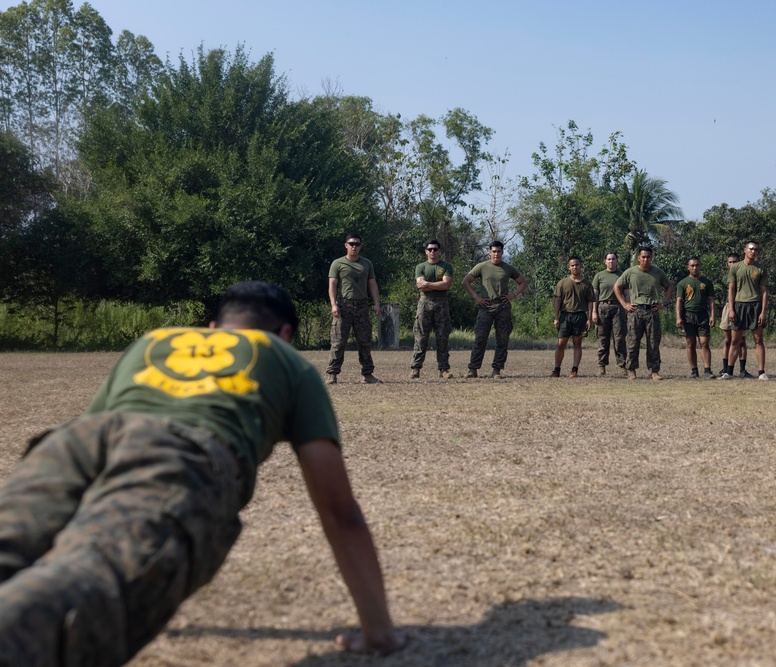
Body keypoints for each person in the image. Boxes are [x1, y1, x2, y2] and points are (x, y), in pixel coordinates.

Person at [0, 282, 405, 665]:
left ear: (213, 328)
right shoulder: (287, 359)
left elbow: (96, 432)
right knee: (82, 585)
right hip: (182, 456)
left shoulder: (154, 340)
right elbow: (340, 512)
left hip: (78, 440)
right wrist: (379, 632)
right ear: (285, 333)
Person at [462, 240, 528, 378]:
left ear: (502, 252)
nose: (496, 254)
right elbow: (466, 281)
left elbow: (522, 283)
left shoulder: (508, 268)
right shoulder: (481, 266)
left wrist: (513, 295)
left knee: (502, 339)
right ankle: (473, 369)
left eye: (499, 251)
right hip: (485, 306)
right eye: (494, 251)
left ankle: (496, 369)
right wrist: (477, 297)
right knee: (480, 337)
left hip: (503, 306)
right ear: (489, 252)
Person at [327, 233, 381, 384]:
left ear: (360, 246)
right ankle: (332, 373)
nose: (354, 247)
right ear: (346, 245)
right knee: (338, 341)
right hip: (344, 306)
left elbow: (372, 284)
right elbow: (332, 285)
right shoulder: (337, 264)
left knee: (365, 342)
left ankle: (367, 374)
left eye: (357, 244)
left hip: (362, 306)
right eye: (351, 244)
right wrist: (333, 304)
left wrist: (377, 303)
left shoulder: (367, 264)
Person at [613, 246, 673, 381]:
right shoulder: (630, 272)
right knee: (633, 342)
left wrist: (664, 303)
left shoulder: (658, 272)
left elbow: (669, 286)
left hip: (652, 310)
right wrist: (624, 304)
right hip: (635, 311)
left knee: (653, 343)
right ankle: (631, 370)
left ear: (652, 258)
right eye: (643, 257)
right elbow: (617, 286)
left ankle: (654, 371)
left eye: (648, 257)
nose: (646, 259)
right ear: (638, 258)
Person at [721, 241, 769, 380]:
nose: (753, 251)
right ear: (745, 250)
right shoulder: (735, 267)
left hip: (755, 305)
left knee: (758, 340)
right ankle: (729, 372)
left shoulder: (761, 268)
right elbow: (731, 289)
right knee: (735, 340)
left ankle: (761, 372)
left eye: (756, 249)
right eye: (751, 249)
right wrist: (731, 309)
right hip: (739, 305)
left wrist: (763, 311)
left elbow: (765, 291)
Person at [410, 239, 453, 379]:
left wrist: (428, 284)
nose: (432, 252)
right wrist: (436, 284)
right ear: (426, 252)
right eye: (430, 249)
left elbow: (446, 285)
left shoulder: (446, 266)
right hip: (424, 303)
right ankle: (415, 368)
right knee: (421, 337)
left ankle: (444, 369)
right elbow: (420, 285)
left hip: (442, 304)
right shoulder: (420, 267)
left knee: (442, 337)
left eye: (435, 249)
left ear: (439, 251)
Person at [552, 256, 596, 378]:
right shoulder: (562, 283)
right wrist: (556, 317)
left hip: (580, 316)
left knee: (577, 343)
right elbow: (557, 300)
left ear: (581, 266)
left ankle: (575, 369)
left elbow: (590, 301)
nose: (575, 267)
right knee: (561, 343)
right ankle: (556, 369)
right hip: (565, 316)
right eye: (572, 265)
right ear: (568, 267)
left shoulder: (587, 284)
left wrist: (589, 318)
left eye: (577, 265)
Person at [675, 256, 716, 379]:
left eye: (697, 265)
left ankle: (707, 370)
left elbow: (711, 301)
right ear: (688, 267)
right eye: (692, 265)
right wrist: (678, 317)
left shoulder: (707, 282)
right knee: (690, 344)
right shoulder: (682, 283)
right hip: (688, 316)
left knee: (704, 343)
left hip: (702, 315)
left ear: (700, 266)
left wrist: (713, 315)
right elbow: (679, 301)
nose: (695, 267)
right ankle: (694, 370)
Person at [591, 252, 627, 377]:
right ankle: (602, 366)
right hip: (603, 307)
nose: (611, 261)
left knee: (619, 338)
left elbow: (626, 293)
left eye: (613, 259)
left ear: (617, 261)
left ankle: (622, 366)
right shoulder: (599, 276)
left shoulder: (622, 275)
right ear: (605, 261)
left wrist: (627, 307)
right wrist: (594, 311)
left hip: (618, 308)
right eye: (609, 259)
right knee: (602, 339)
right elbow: (595, 295)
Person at [718, 253, 749, 378]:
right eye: (730, 262)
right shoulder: (727, 277)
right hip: (729, 307)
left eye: (735, 262)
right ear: (727, 264)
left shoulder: (745, 273)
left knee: (741, 340)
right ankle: (726, 368)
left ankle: (742, 369)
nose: (732, 264)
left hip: (742, 307)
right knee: (727, 340)